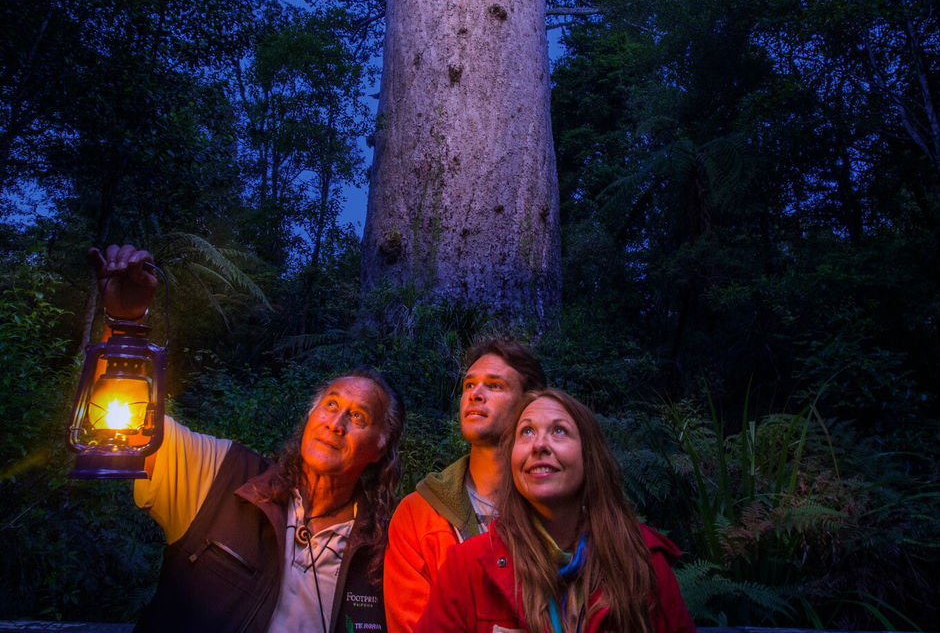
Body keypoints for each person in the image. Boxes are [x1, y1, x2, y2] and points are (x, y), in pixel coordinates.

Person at [88, 244, 404, 633]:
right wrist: (125, 326)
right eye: (330, 405)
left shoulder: (388, 550)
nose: (335, 423)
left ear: (380, 447)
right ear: (309, 416)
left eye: (358, 416)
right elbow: (124, 433)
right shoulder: (220, 477)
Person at [415, 389, 697, 633]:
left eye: (559, 430)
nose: (539, 445)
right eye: (526, 431)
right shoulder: (468, 567)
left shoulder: (643, 560)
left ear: (590, 457)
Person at [383, 339, 547, 633]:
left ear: (530, 404)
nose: (475, 395)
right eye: (469, 385)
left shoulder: (557, 506)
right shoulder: (417, 515)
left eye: (495, 386)